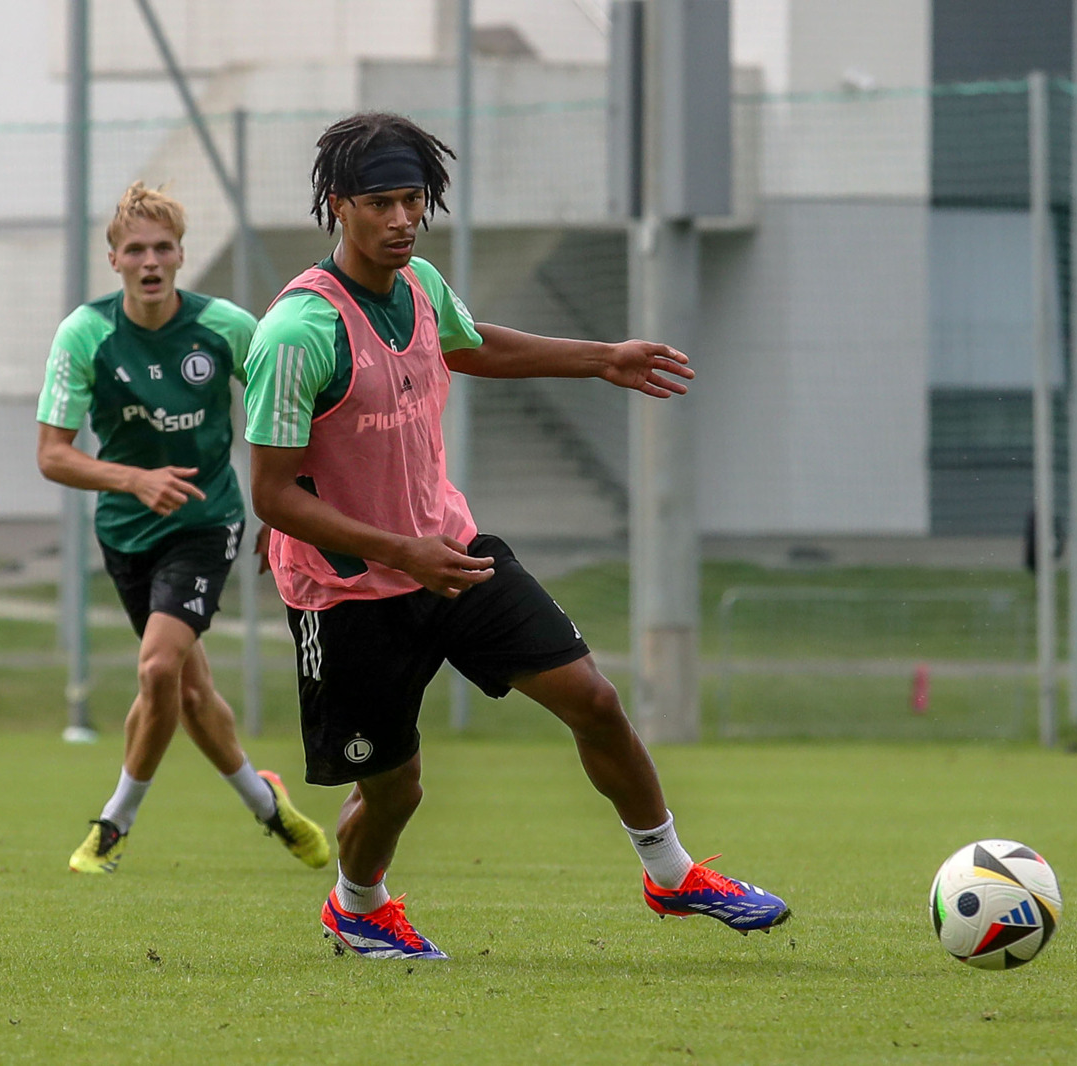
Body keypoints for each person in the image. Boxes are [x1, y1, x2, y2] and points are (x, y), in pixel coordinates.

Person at [243, 113, 789, 959]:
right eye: (382, 202)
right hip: (348, 593)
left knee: (594, 702)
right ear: (338, 205)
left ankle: (673, 873)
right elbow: (272, 496)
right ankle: (357, 906)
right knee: (393, 792)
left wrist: (601, 357)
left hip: (453, 556)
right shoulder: (296, 334)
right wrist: (400, 552)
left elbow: (470, 344)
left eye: (414, 200)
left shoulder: (420, 285)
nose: (402, 220)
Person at [35, 182, 330, 876]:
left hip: (206, 521)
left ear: (181, 257)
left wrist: (288, 504)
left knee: (159, 665)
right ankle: (268, 806)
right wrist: (134, 479)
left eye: (162, 248)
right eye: (134, 248)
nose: (149, 260)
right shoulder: (87, 334)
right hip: (126, 531)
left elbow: (292, 406)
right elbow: (53, 454)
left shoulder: (225, 326)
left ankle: (114, 823)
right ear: (113, 259)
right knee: (189, 692)